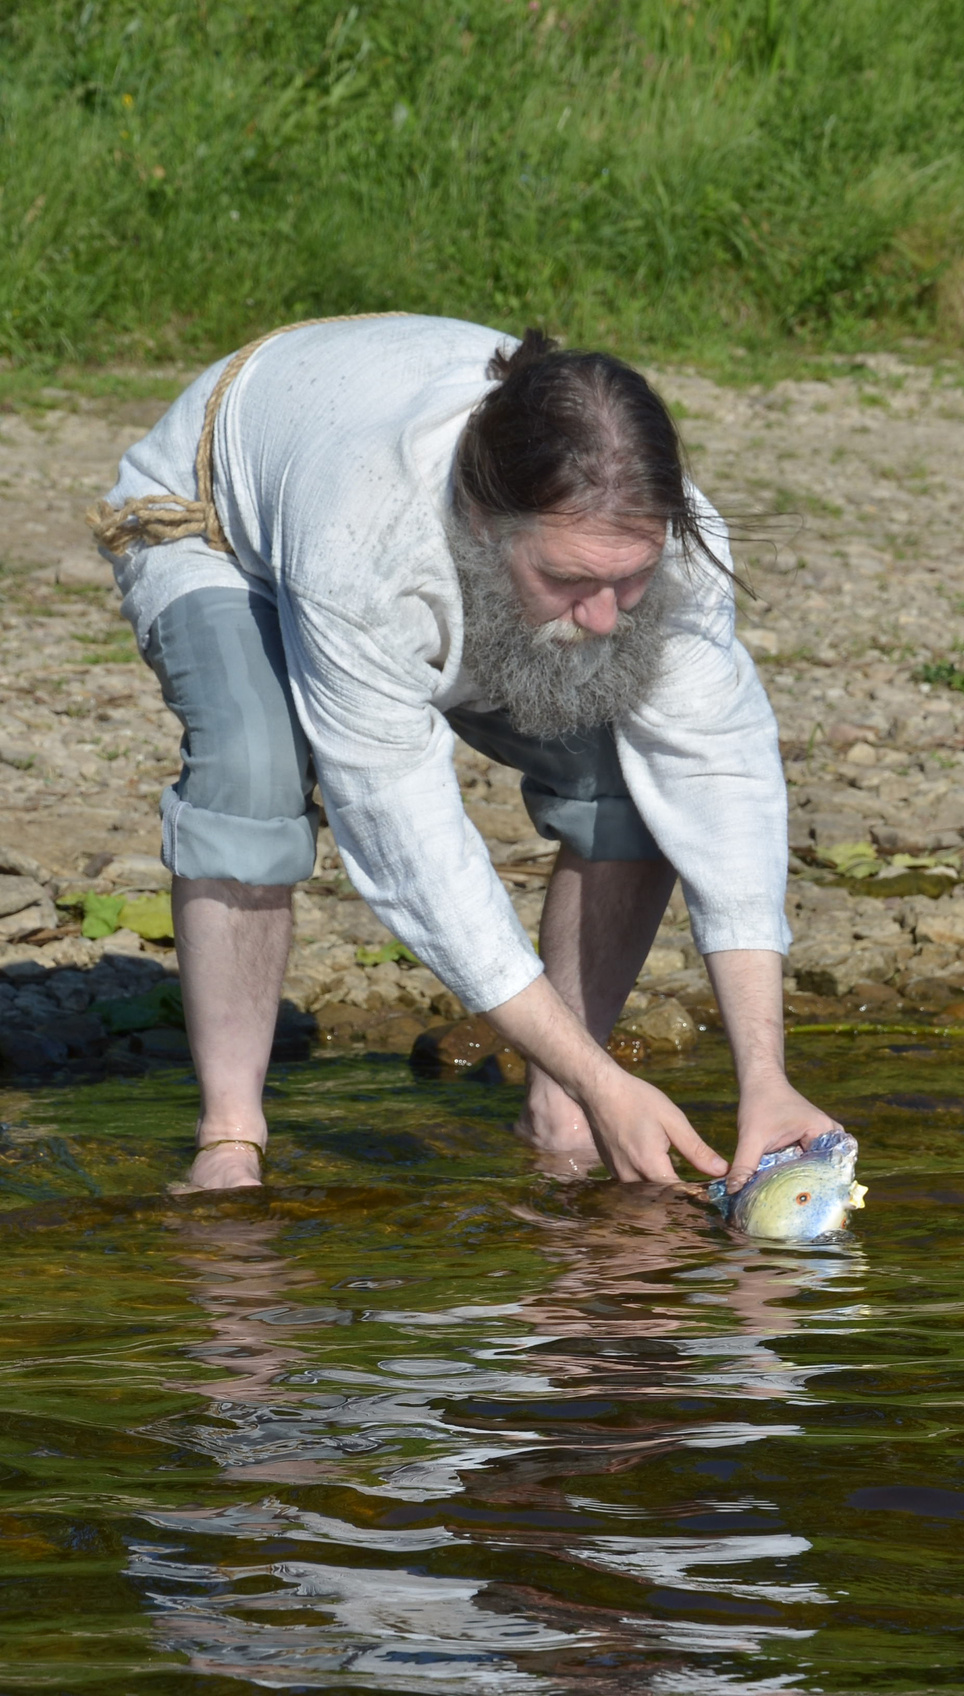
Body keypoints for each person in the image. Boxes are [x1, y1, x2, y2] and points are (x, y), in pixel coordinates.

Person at [88, 314, 838, 1193]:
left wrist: (766, 1078)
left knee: (631, 780)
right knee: (253, 771)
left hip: (417, 540)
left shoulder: (671, 539)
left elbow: (716, 775)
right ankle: (228, 1140)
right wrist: (609, 1082)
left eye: (628, 579)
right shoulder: (367, 541)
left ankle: (562, 1110)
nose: (605, 616)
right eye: (568, 580)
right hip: (217, 519)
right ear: (484, 524)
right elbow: (408, 847)